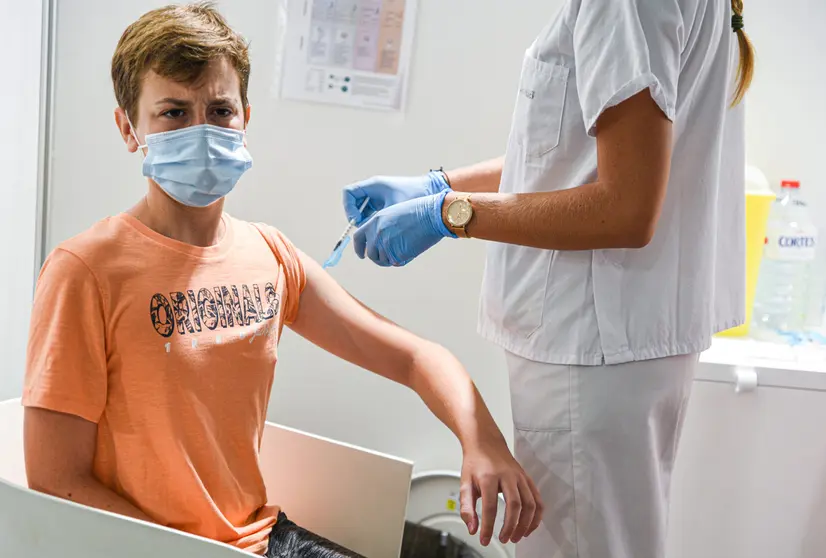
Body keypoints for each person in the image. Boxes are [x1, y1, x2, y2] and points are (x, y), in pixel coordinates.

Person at [21, 3, 543, 556]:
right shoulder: (86, 271)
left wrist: (482, 439)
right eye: (173, 112)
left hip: (261, 537)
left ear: (246, 118)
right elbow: (58, 482)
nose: (201, 130)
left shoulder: (269, 256)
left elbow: (415, 358)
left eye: (220, 110)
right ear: (129, 128)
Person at [342, 0, 754, 556]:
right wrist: (438, 185)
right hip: (624, 346)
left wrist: (451, 213)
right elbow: (576, 157)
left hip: (593, 348)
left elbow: (626, 207)